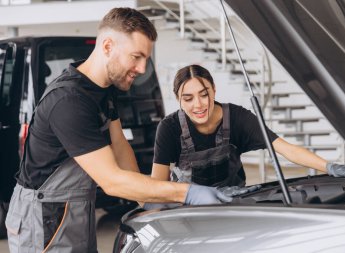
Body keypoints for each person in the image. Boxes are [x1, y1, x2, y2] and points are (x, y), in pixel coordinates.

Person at [5, 9, 231, 253]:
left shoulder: (102, 89)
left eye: (146, 58)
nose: (143, 68)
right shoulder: (69, 101)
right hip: (43, 217)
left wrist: (150, 203)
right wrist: (186, 193)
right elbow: (112, 181)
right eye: (136, 57)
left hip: (73, 210)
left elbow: (120, 148)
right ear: (108, 46)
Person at [151, 64, 345, 191]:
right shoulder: (169, 129)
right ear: (178, 99)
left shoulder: (237, 118)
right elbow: (157, 186)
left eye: (204, 94)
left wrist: (330, 167)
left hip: (235, 203)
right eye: (188, 98)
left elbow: (285, 148)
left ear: (214, 90)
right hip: (188, 210)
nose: (198, 105)